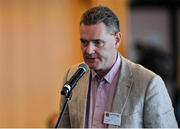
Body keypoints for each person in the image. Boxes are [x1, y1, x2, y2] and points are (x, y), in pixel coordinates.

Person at [58, 5, 178, 128]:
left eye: (97, 42)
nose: (89, 50)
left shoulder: (149, 83)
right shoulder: (73, 76)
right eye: (84, 42)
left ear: (117, 39)